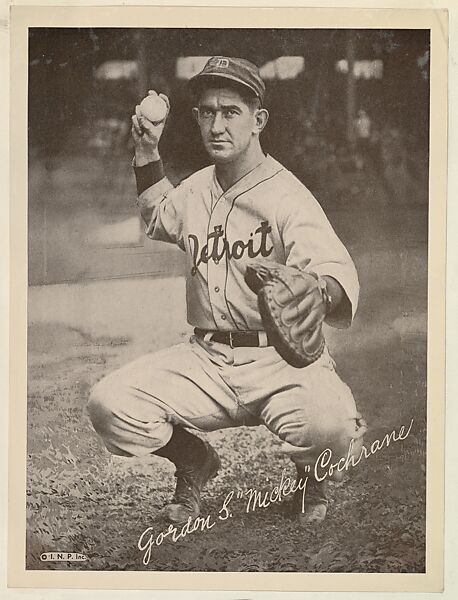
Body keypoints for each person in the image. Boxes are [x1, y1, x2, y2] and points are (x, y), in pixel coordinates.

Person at [88, 56, 367, 526]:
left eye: (230, 111)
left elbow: (336, 271)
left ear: (258, 121)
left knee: (332, 426)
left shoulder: (287, 196)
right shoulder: (196, 189)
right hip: (207, 360)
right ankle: (193, 461)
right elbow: (159, 214)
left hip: (278, 363)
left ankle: (311, 477)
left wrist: (321, 291)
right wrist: (145, 151)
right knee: (110, 403)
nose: (216, 124)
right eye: (206, 111)